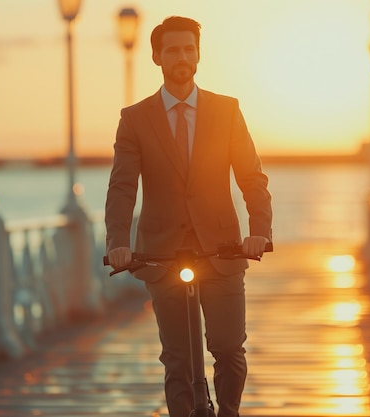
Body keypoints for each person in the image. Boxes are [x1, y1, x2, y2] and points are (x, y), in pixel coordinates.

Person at [104, 16, 273, 417]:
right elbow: (122, 187)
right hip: (161, 254)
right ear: (157, 56)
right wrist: (118, 243)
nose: (182, 56)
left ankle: (228, 411)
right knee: (178, 358)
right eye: (173, 50)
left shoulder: (226, 111)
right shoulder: (135, 119)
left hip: (224, 250)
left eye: (188, 49)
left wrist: (259, 232)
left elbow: (251, 177)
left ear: (197, 54)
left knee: (229, 348)